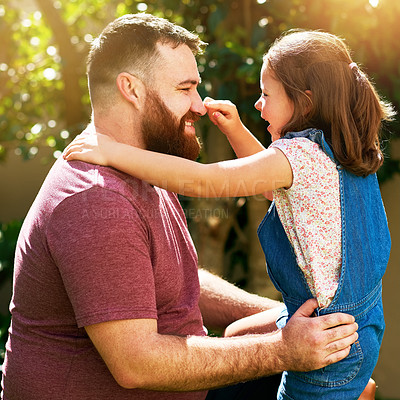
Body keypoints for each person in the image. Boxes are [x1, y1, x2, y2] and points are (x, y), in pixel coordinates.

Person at [1, 15, 360, 400]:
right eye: (185, 88)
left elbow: (167, 283)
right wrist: (284, 349)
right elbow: (137, 363)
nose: (199, 106)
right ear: (131, 89)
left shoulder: (143, 167)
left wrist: (293, 318)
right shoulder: (95, 197)